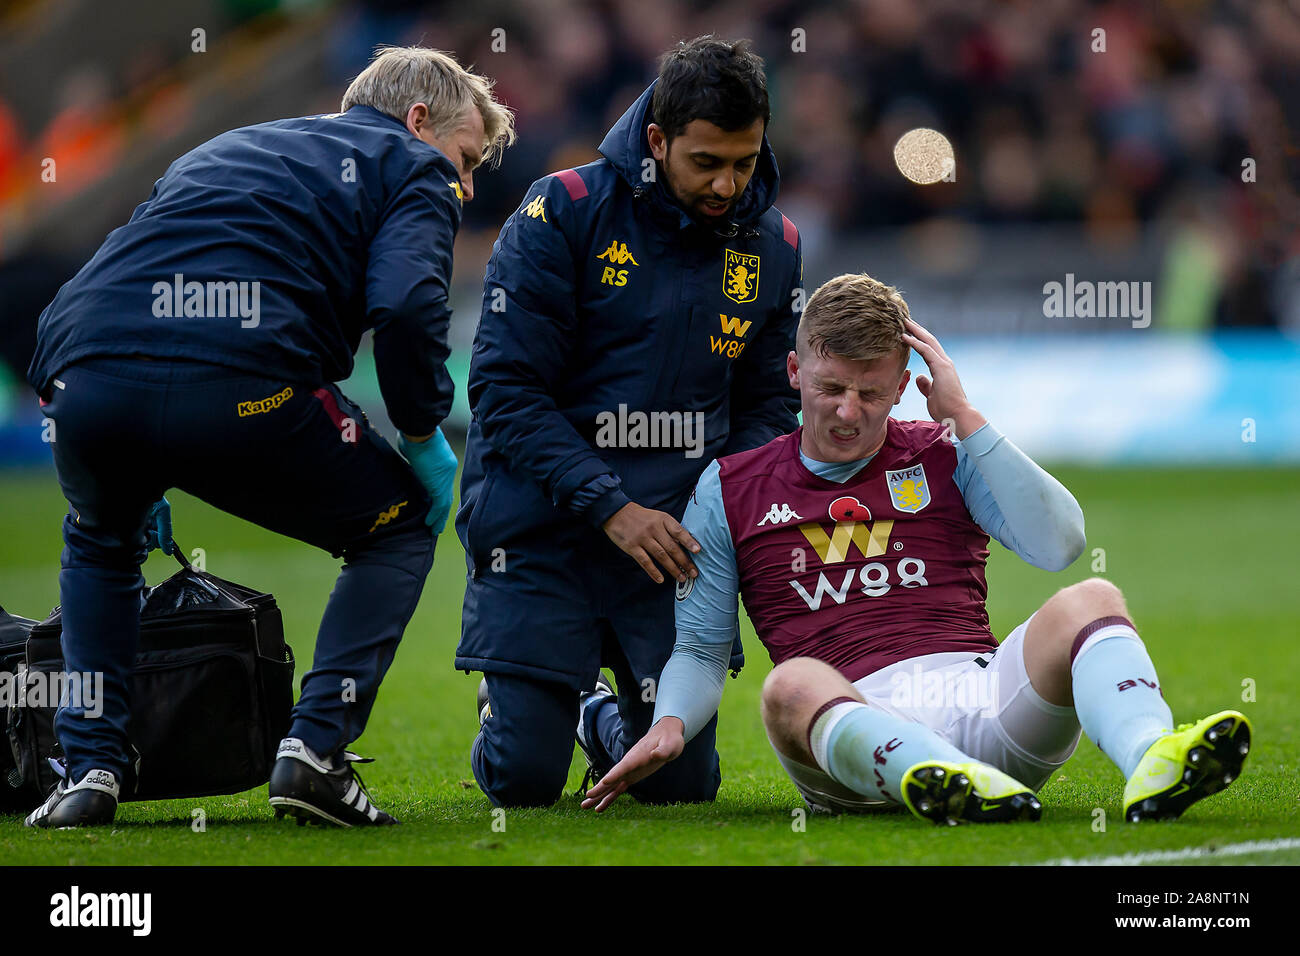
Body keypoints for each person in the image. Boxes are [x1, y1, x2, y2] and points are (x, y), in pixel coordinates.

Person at [24, 46, 514, 828]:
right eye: (463, 157)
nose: (463, 182)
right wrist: (422, 431)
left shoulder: (224, 145)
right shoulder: (407, 163)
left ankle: (88, 769)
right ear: (418, 121)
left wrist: (134, 450)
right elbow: (406, 304)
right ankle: (314, 752)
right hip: (243, 380)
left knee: (99, 540)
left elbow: (140, 277)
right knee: (398, 526)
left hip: (79, 374)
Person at [581, 273, 1252, 824]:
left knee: (1094, 598)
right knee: (788, 684)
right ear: (794, 372)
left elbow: (1061, 544)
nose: (848, 412)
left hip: (985, 703)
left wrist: (966, 416)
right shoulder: (729, 488)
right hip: (850, 732)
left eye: (871, 393)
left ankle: (1151, 758)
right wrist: (669, 724)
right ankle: (943, 777)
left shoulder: (946, 454)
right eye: (831, 388)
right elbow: (700, 648)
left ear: (903, 387)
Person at [457, 36, 803, 807]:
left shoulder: (774, 246)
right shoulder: (562, 212)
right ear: (656, 140)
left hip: (671, 546)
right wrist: (609, 506)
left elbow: (770, 405)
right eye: (706, 162)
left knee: (680, 788)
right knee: (522, 783)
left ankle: (599, 717)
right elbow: (504, 390)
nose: (728, 184)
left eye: (745, 162)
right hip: (542, 525)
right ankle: (528, 704)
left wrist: (714, 503)